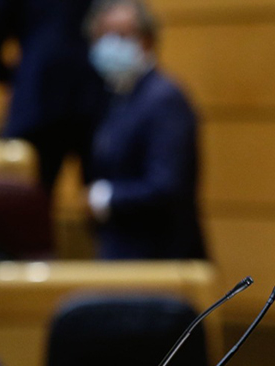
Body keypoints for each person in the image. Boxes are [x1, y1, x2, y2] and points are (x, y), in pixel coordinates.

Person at [82, 0, 205, 260]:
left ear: (147, 41)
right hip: (123, 251)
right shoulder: (116, 96)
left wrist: (107, 198)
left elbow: (166, 185)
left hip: (161, 256)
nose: (110, 44)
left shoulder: (164, 99)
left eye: (121, 35)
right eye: (103, 35)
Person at [0, 0, 105, 193]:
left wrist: (17, 78)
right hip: (92, 97)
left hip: (37, 98)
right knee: (103, 198)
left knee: (27, 205)